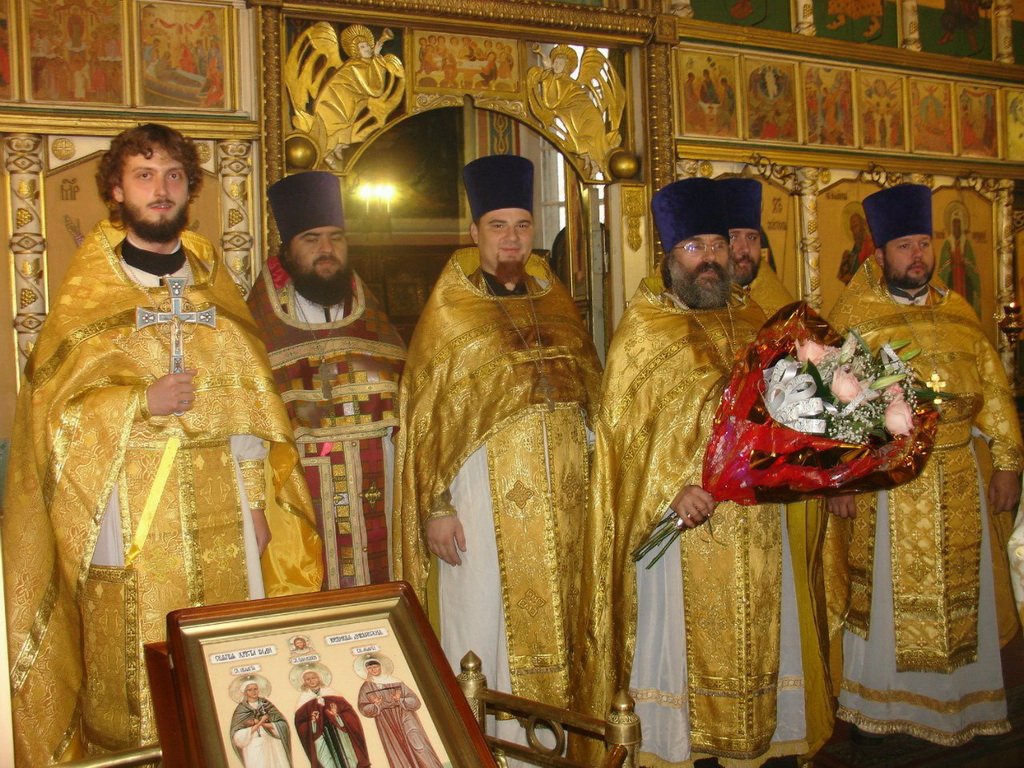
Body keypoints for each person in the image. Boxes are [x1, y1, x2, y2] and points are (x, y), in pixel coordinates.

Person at [1, 123, 323, 764]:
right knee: (131, 655)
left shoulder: (213, 289)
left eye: (174, 175)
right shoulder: (88, 297)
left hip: (227, 506)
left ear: (189, 188)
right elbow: (52, 422)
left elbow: (249, 410)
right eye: (144, 175)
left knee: (231, 658)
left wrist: (256, 504)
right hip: (125, 509)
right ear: (117, 190)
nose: (161, 188)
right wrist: (136, 404)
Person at [573, 178, 831, 766]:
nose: (710, 259)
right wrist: (670, 491)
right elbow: (619, 448)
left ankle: (761, 747)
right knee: (683, 665)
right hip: (682, 535)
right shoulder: (643, 332)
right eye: (695, 247)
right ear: (669, 256)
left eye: (717, 245)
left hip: (758, 523)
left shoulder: (759, 321)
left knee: (762, 642)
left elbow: (788, 411)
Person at [393, 154, 602, 749]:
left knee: (566, 619)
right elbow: (427, 420)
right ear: (475, 231)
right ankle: (486, 748)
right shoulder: (450, 312)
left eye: (522, 226)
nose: (511, 239)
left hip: (565, 505)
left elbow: (592, 395)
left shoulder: (557, 303)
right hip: (481, 504)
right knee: (482, 617)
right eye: (498, 226)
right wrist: (436, 506)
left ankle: (560, 745)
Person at [825, 183, 1023, 745]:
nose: (918, 256)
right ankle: (886, 707)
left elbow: (993, 389)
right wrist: (840, 477)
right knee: (888, 596)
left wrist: (1007, 463)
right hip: (888, 482)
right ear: (880, 253)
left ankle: (964, 705)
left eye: (924, 243)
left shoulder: (958, 309)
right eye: (905, 246)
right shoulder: (853, 314)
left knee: (966, 592)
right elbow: (830, 405)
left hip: (961, 473)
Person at [247, 171, 406, 589]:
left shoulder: (371, 319)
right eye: (311, 239)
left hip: (377, 484)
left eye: (336, 238)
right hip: (301, 489)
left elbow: (408, 406)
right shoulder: (261, 324)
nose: (326, 250)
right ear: (287, 250)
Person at [719, 176, 794, 316]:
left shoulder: (781, 312)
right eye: (733, 237)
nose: (745, 248)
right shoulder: (690, 304)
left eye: (752, 237)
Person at [356, 654, 443, 767]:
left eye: (375, 667)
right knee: (396, 748)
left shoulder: (396, 682)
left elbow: (415, 701)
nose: (373, 670)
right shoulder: (366, 687)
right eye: (370, 668)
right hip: (386, 720)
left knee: (417, 743)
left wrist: (400, 699)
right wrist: (375, 705)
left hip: (405, 715)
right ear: (366, 670)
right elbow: (363, 707)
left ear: (381, 666)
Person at [294, 668, 370, 768]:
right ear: (304, 682)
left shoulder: (332, 693)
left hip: (340, 731)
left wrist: (336, 715)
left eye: (313, 677)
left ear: (319, 678)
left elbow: (348, 713)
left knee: (348, 756)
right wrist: (312, 721)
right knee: (326, 761)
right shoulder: (303, 700)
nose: (311, 681)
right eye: (308, 679)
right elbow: (300, 723)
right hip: (320, 736)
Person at [230, 677, 293, 768]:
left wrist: (263, 724)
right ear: (245, 692)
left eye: (255, 689)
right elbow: (237, 736)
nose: (254, 692)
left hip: (273, 743)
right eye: (250, 690)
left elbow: (282, 725)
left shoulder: (266, 705)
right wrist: (256, 725)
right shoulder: (241, 710)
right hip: (253, 746)